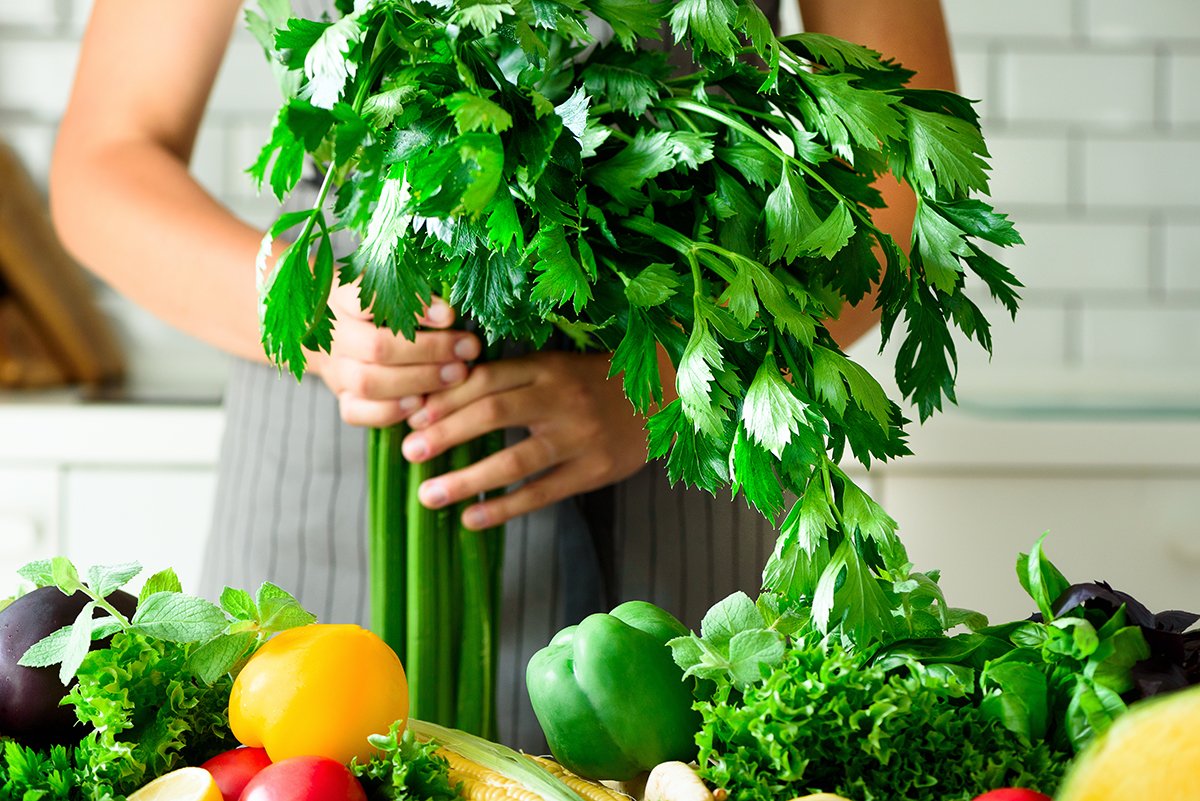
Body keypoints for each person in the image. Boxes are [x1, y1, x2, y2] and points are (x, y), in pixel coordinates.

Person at [50, 0, 956, 748]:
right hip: (340, 440)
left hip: (686, 436)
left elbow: (902, 164)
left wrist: (671, 380)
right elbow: (106, 158)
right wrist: (309, 316)